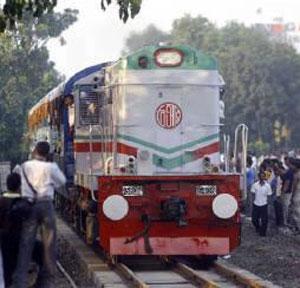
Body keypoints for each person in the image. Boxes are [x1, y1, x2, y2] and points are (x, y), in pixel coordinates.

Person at [12, 141, 66, 288]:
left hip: (29, 206)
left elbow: (18, 181)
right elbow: (62, 181)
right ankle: (47, 283)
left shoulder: (25, 166)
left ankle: (19, 282)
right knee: (49, 245)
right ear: (48, 153)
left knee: (26, 244)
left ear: (35, 151)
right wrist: (49, 184)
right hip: (46, 205)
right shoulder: (51, 167)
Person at [251, 171, 272, 236]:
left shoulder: (268, 186)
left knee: (264, 220)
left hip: (264, 204)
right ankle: (257, 227)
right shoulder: (255, 185)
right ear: (258, 177)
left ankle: (263, 233)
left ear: (265, 177)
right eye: (260, 176)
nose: (262, 177)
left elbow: (269, 196)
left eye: (263, 176)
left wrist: (268, 205)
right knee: (254, 219)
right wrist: (252, 202)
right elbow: (252, 194)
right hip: (256, 204)